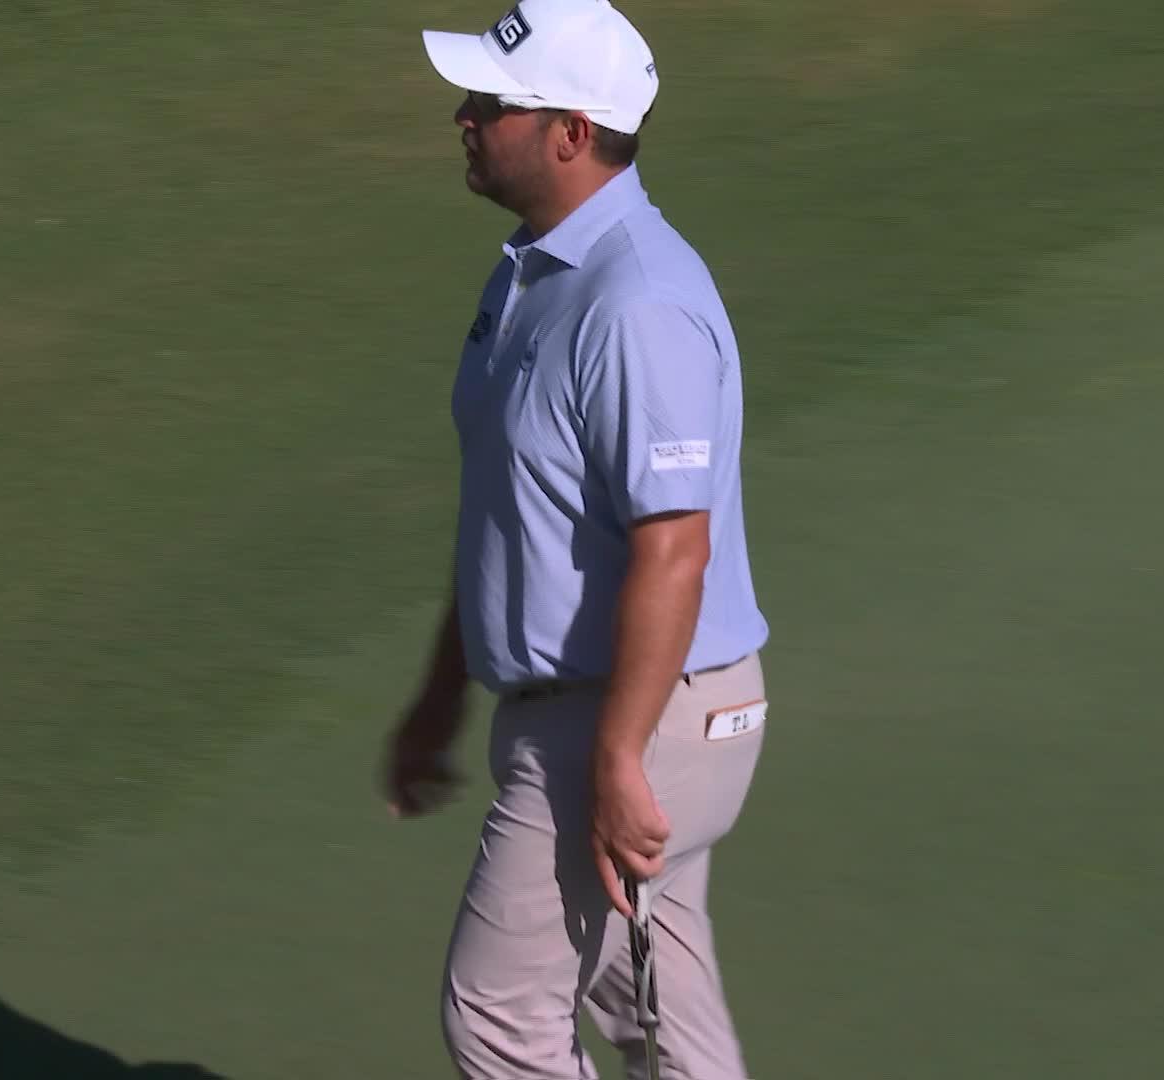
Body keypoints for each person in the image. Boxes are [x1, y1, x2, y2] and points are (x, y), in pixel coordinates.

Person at [382, 1, 773, 1076]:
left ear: (571, 132)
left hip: (642, 712)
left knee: (497, 1014)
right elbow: (516, 513)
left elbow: (674, 548)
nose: (464, 117)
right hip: (600, 708)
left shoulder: (637, 302)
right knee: (655, 1006)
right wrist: (442, 692)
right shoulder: (532, 276)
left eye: (492, 102)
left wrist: (618, 753)